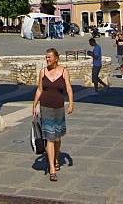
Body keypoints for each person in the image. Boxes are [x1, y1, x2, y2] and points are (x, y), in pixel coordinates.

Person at [32, 48, 73, 182]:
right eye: (46, 57)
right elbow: (39, 89)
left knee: (57, 137)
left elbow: (68, 87)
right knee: (49, 137)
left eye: (49, 57)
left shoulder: (64, 71)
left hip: (59, 107)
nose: (47, 59)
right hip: (46, 107)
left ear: (56, 58)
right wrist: (34, 104)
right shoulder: (43, 72)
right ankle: (52, 168)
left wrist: (71, 103)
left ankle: (56, 156)